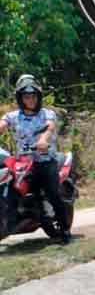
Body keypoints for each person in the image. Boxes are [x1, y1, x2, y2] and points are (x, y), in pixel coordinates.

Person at [1, 75, 70, 244]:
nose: (30, 99)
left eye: (33, 96)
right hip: (22, 163)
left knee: (53, 193)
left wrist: (44, 139)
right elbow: (2, 124)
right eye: (26, 96)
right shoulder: (13, 116)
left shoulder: (47, 114)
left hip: (44, 161)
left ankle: (65, 230)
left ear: (38, 96)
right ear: (20, 98)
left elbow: (50, 127)